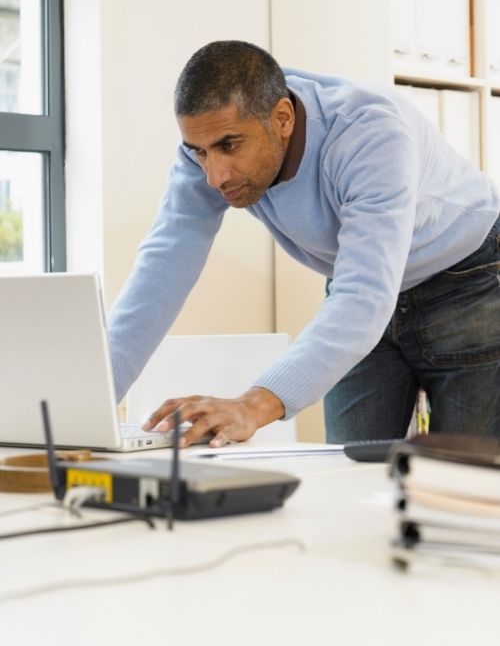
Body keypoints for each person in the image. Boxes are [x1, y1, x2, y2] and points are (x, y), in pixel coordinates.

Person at [107, 40, 500, 448]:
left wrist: (251, 406)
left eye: (229, 146)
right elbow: (163, 266)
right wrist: (92, 403)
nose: (214, 176)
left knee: (469, 481)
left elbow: (364, 295)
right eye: (199, 152)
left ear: (282, 119)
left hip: (467, 282)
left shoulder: (370, 134)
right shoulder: (210, 144)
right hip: (357, 290)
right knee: (347, 470)